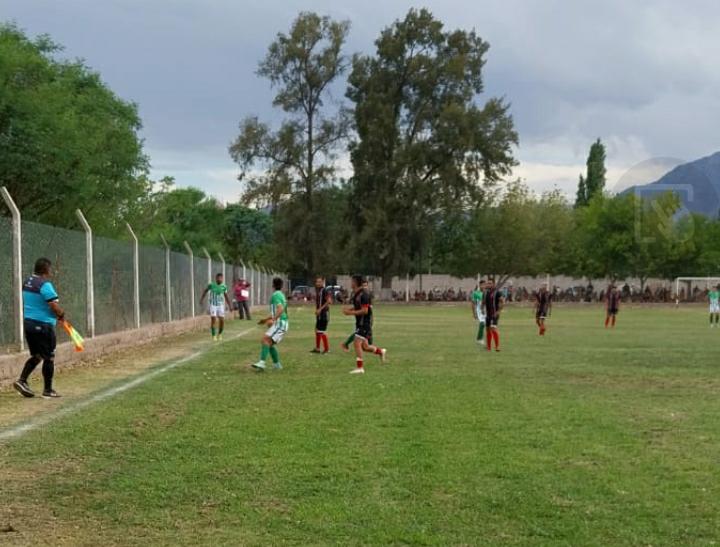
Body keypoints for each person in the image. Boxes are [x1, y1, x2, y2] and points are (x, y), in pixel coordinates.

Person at [14, 258, 65, 398]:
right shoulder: (45, 284)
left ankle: (22, 380)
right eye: (50, 268)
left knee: (37, 355)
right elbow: (53, 305)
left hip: (29, 324)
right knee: (49, 357)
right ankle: (48, 390)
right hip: (43, 325)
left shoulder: (27, 282)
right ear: (45, 270)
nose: (51, 271)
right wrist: (61, 315)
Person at [343, 275, 386, 374]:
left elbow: (365, 310)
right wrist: (349, 309)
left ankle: (360, 368)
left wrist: (350, 313)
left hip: (364, 323)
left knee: (356, 343)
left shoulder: (364, 294)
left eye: (352, 281)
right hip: (359, 323)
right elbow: (357, 306)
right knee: (365, 347)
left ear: (356, 282)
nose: (351, 283)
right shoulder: (356, 294)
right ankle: (381, 351)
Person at [252, 278, 289, 371]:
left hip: (280, 323)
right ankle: (277, 364)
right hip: (282, 323)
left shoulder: (275, 295)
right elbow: (279, 310)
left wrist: (273, 319)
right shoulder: (281, 295)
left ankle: (262, 363)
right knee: (269, 343)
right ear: (282, 286)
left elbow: (280, 309)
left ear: (272, 285)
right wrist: (265, 320)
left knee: (265, 340)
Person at [200, 273, 231, 341]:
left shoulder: (224, 286)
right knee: (213, 319)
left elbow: (226, 296)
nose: (220, 279)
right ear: (216, 278)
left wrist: (229, 305)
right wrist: (201, 299)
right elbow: (205, 291)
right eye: (219, 278)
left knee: (222, 320)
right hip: (213, 305)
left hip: (221, 305)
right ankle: (213, 335)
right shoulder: (211, 285)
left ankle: (220, 334)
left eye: (221, 278)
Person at [310, 276, 332, 354]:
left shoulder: (325, 290)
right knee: (317, 330)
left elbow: (329, 301)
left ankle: (326, 349)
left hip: (323, 314)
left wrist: (320, 309)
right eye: (317, 282)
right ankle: (317, 348)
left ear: (323, 282)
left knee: (321, 331)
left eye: (319, 282)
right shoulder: (319, 290)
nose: (318, 283)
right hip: (320, 314)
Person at [483, 279, 503, 351]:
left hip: (494, 314)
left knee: (493, 329)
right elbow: (484, 302)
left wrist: (498, 311)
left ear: (494, 284)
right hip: (488, 315)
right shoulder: (486, 293)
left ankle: (497, 346)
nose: (488, 285)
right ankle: (488, 347)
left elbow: (502, 302)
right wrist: (482, 308)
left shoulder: (497, 292)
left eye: (490, 283)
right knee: (488, 330)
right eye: (488, 283)